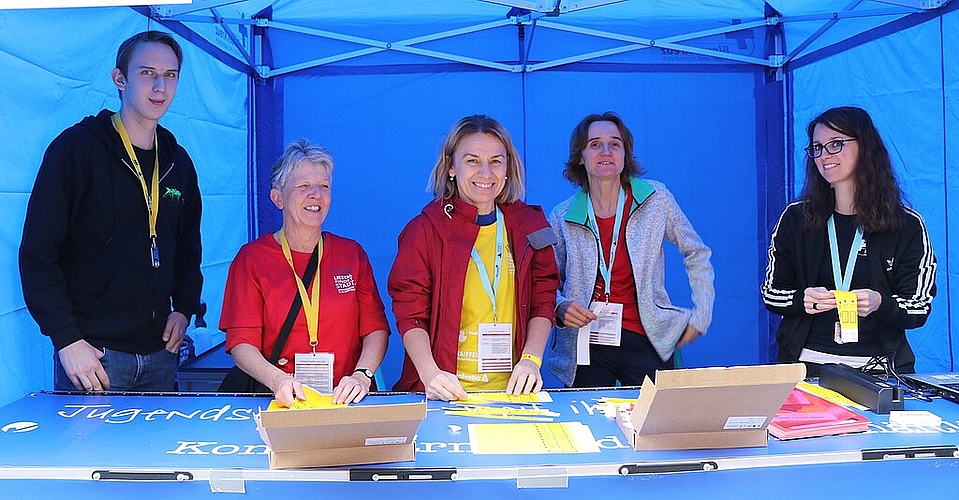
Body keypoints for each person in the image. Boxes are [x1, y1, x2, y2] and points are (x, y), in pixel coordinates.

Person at [19, 31, 202, 392]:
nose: (160, 87)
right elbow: (38, 254)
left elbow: (188, 250)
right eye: (147, 73)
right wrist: (67, 340)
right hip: (94, 358)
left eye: (170, 75)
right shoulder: (76, 150)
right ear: (120, 79)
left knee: (156, 451)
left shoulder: (178, 162)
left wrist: (183, 308)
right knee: (88, 452)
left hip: (160, 357)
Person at [389, 115, 560, 401]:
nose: (485, 173)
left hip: (513, 393)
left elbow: (544, 300)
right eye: (472, 161)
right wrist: (430, 374)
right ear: (451, 166)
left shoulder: (530, 226)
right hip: (446, 393)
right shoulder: (425, 229)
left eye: (496, 161)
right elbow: (410, 314)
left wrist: (531, 359)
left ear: (508, 168)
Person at [762, 106, 936, 377]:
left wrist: (880, 302)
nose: (824, 156)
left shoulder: (906, 225)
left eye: (836, 144)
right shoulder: (796, 219)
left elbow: (918, 307)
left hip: (880, 371)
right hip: (804, 369)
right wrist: (801, 299)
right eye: (817, 148)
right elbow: (772, 293)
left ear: (865, 147)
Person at [546, 111, 714, 388]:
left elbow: (697, 252)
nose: (606, 151)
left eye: (615, 144)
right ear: (580, 157)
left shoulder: (656, 199)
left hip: (647, 335)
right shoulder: (562, 215)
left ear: (625, 154)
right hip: (587, 339)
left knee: (652, 424)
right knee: (589, 420)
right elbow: (547, 283)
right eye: (595, 144)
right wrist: (560, 307)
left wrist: (702, 314)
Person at [220, 140, 389, 406]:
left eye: (324, 186)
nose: (316, 194)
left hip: (343, 401)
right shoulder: (252, 259)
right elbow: (241, 343)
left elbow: (376, 329)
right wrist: (277, 380)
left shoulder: (352, 254)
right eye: (303, 186)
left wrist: (362, 375)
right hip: (280, 400)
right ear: (278, 198)